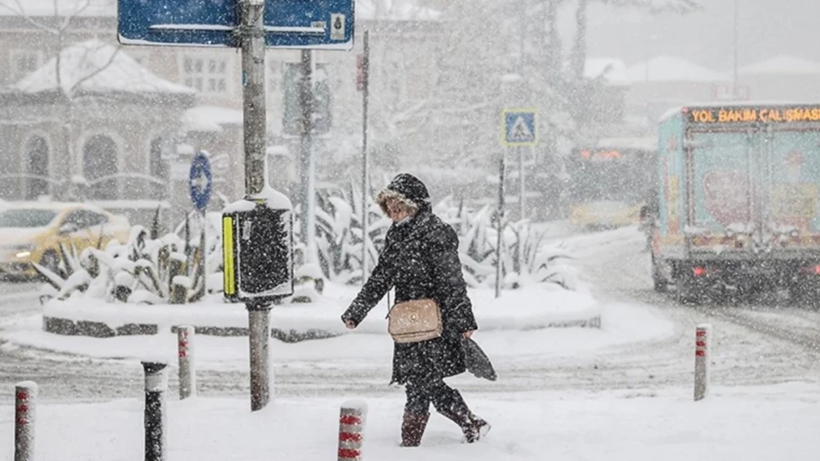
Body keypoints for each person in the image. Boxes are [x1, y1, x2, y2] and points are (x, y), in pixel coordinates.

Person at [341, 173, 490, 447]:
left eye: (400, 207)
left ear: (415, 205)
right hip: (408, 322)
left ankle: (412, 443)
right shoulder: (396, 235)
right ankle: (468, 423)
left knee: (422, 381)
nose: (394, 214)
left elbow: (452, 281)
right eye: (391, 209)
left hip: (435, 321)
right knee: (420, 381)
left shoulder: (436, 232)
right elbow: (382, 277)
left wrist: (464, 320)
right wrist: (356, 311)